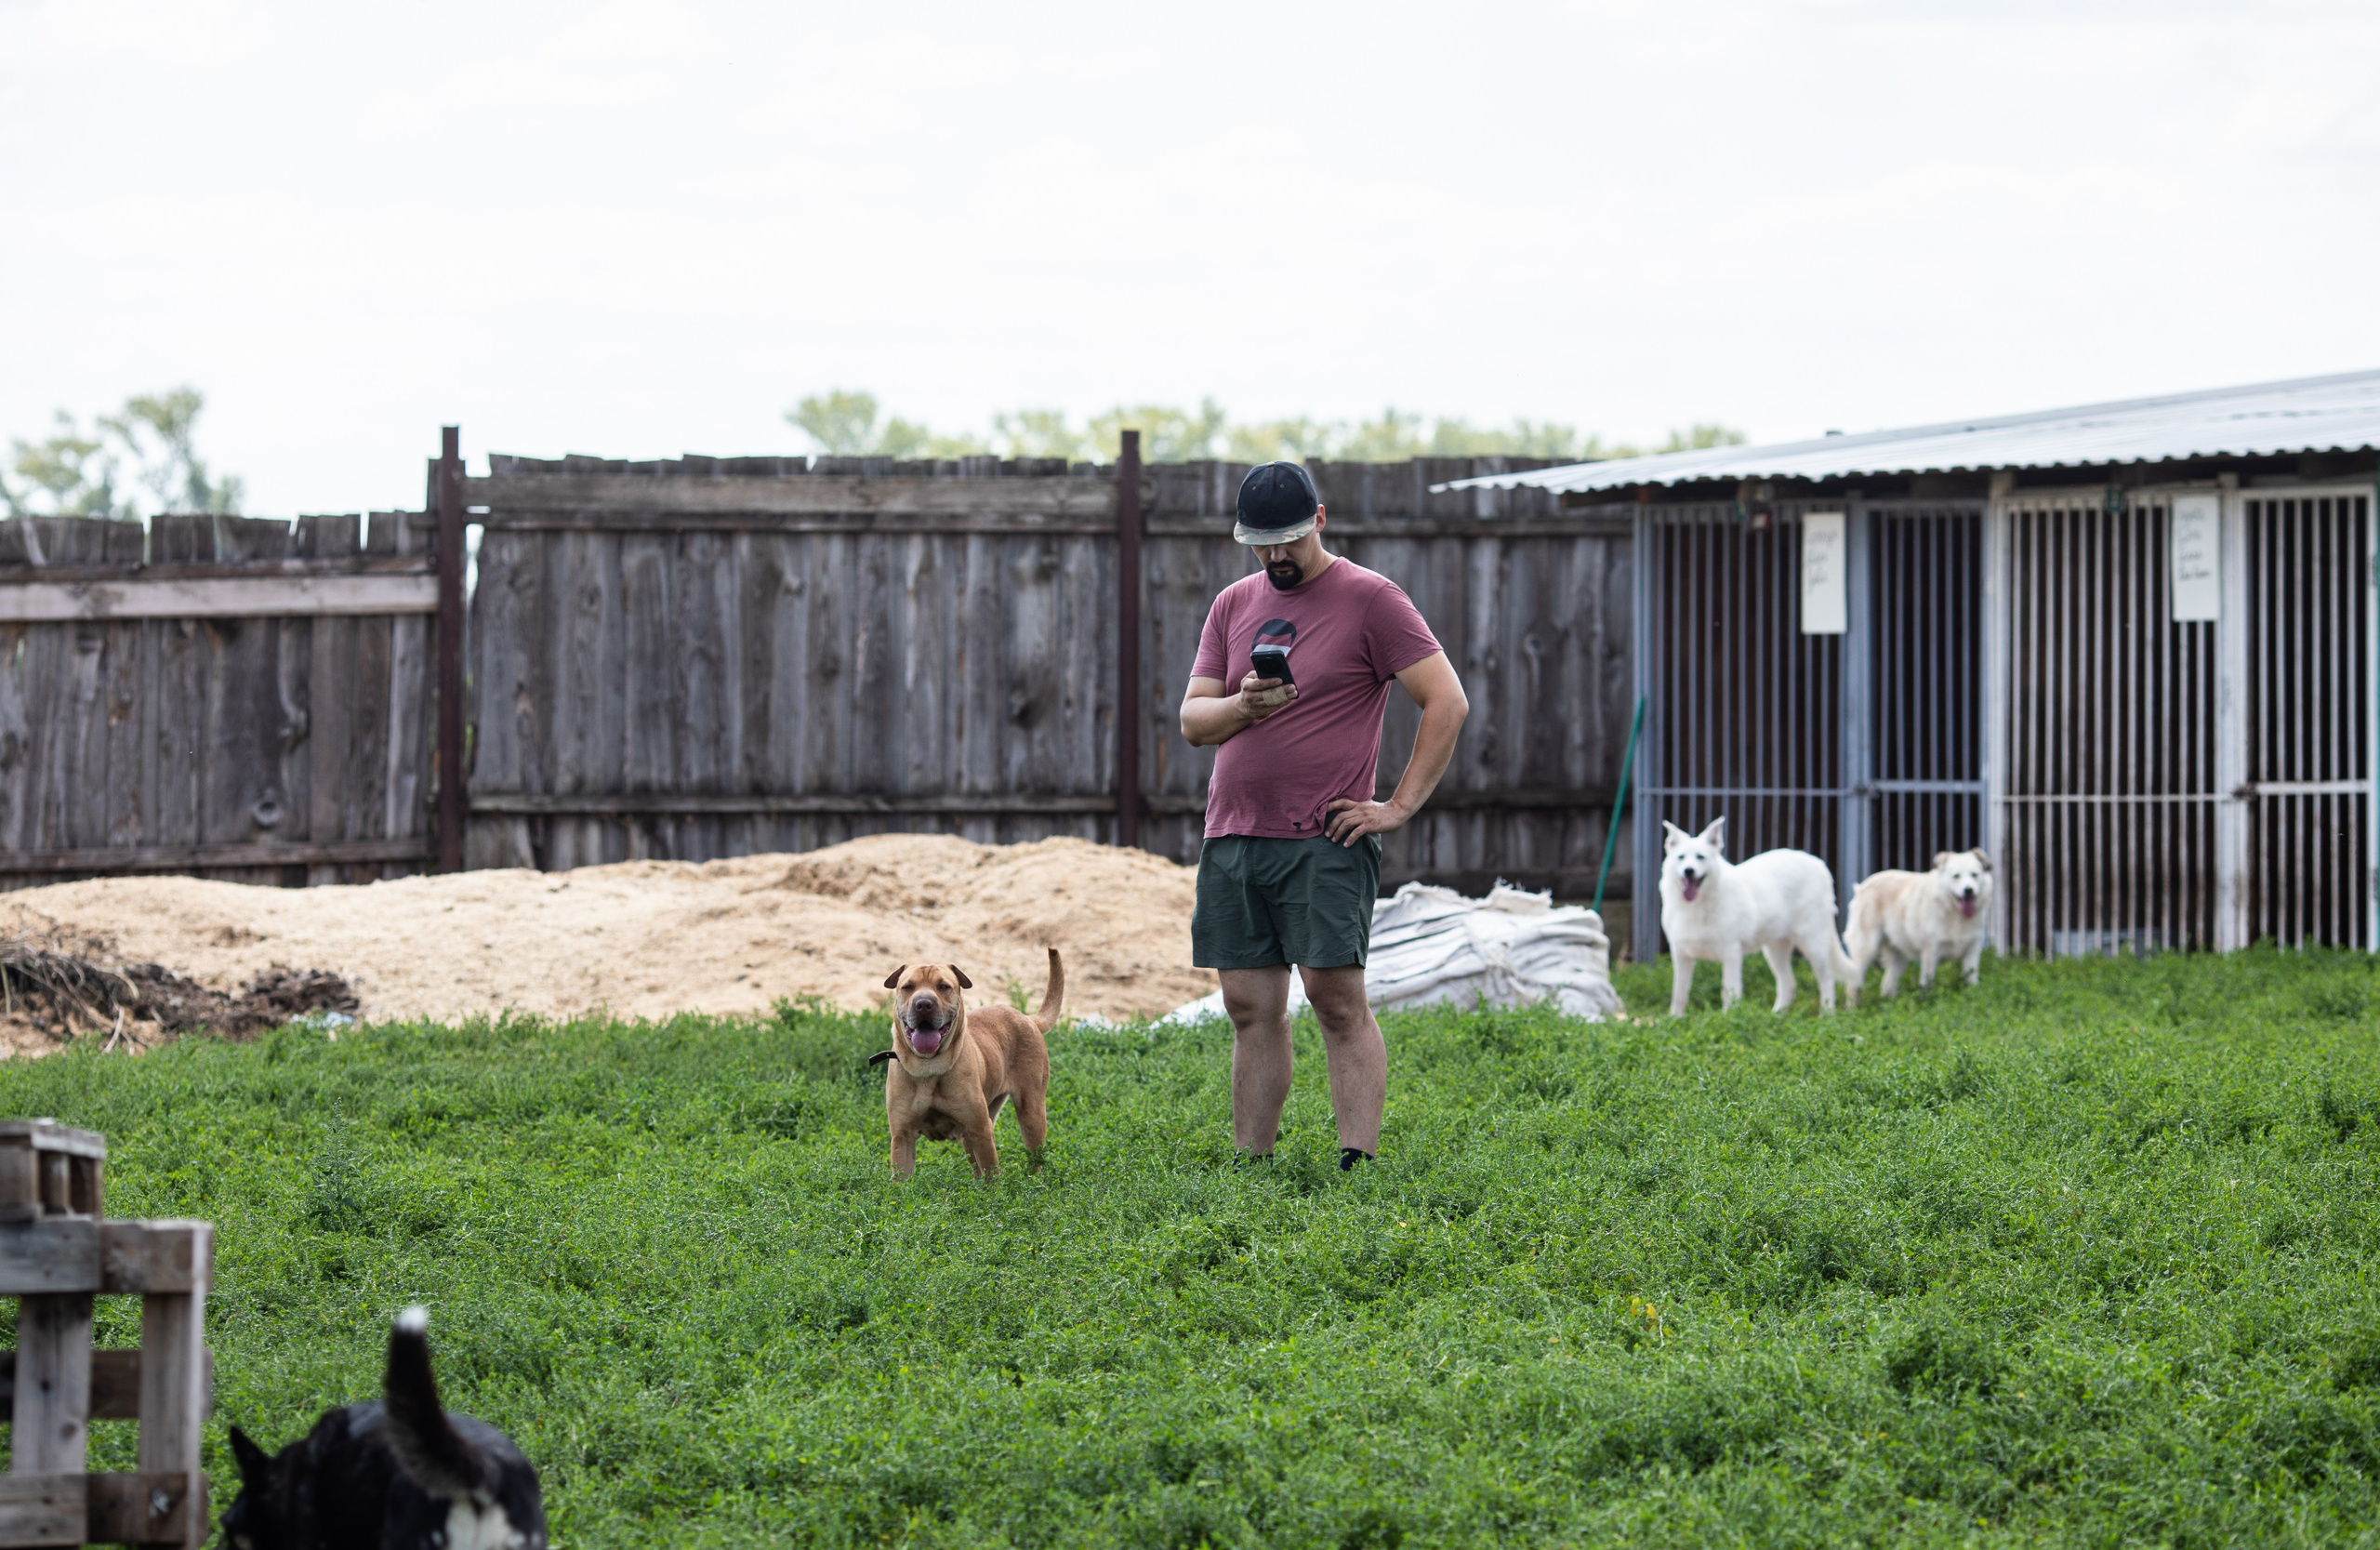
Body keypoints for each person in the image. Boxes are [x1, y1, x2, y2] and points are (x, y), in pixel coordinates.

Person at [1179, 462, 1469, 1170]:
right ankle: (1254, 1163)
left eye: (1288, 540)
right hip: (1235, 833)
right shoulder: (1231, 604)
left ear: (1320, 520)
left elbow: (1447, 700)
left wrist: (1396, 806)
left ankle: (1356, 1162)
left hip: (1323, 837)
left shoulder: (1372, 599)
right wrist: (1242, 707)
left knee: (1335, 1000)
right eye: (1260, 543)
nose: (1275, 556)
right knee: (1249, 1007)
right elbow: (1193, 719)